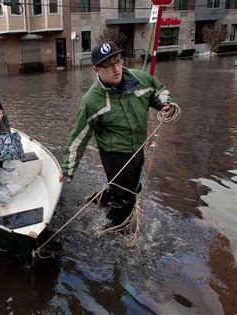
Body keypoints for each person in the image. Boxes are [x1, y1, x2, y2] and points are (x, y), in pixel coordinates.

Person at [61, 41, 177, 228]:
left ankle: (104, 197)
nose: (116, 69)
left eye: (118, 62)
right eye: (108, 66)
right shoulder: (91, 101)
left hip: (138, 147)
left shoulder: (140, 79)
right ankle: (110, 232)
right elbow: (79, 135)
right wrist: (68, 168)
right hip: (113, 153)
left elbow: (159, 92)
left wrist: (167, 105)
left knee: (134, 188)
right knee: (125, 201)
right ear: (96, 70)